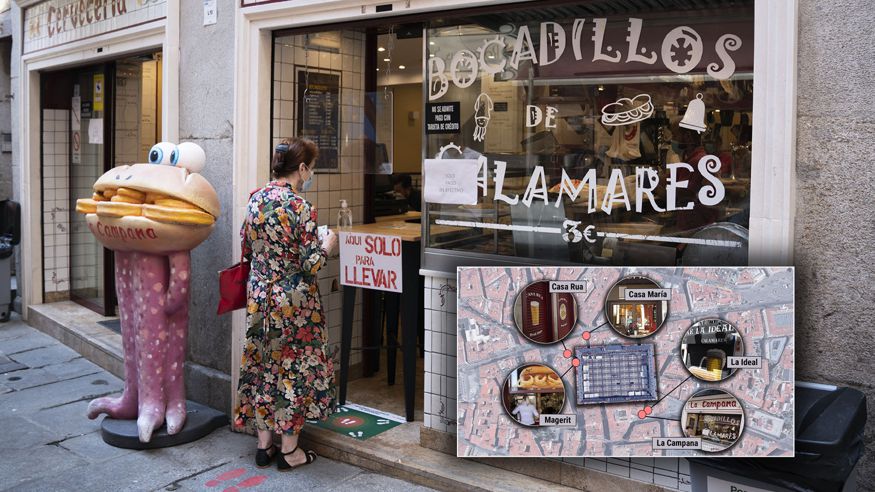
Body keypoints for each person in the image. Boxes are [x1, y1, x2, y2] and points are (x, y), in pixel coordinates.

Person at [232, 137, 339, 471]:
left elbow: (247, 248)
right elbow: (311, 263)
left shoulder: (255, 200)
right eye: (311, 168)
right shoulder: (300, 207)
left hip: (259, 297)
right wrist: (328, 245)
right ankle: (290, 450)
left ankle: (264, 447)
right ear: (302, 168)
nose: (310, 175)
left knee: (262, 365)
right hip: (294, 303)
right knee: (293, 369)